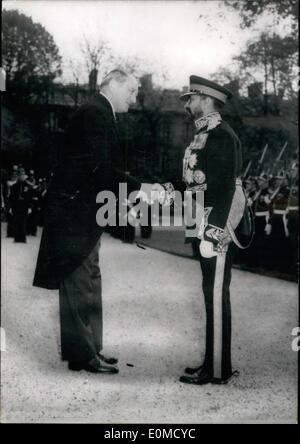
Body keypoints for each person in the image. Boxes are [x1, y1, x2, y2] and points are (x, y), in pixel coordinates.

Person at [33, 69, 140, 374]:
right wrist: (138, 186)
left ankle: (90, 348)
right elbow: (98, 169)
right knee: (80, 280)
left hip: (82, 213)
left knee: (88, 278)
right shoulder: (95, 114)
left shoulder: (99, 112)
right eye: (131, 91)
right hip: (75, 215)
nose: (134, 99)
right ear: (114, 83)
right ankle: (83, 354)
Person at [177, 75, 253, 385]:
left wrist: (215, 229)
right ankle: (212, 361)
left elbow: (225, 186)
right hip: (201, 220)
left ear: (207, 99)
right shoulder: (204, 133)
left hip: (215, 226)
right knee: (211, 293)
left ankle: (218, 369)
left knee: (217, 294)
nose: (188, 103)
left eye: (191, 98)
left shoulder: (222, 134)